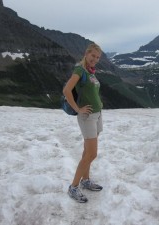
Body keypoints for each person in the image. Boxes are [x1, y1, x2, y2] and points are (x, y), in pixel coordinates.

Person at [63, 43, 103, 203]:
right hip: (87, 117)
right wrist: (78, 109)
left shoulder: (90, 72)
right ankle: (73, 187)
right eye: (93, 55)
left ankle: (85, 180)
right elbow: (67, 90)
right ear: (86, 54)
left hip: (97, 115)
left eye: (98, 57)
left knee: (87, 151)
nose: (95, 59)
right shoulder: (80, 70)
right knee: (92, 154)